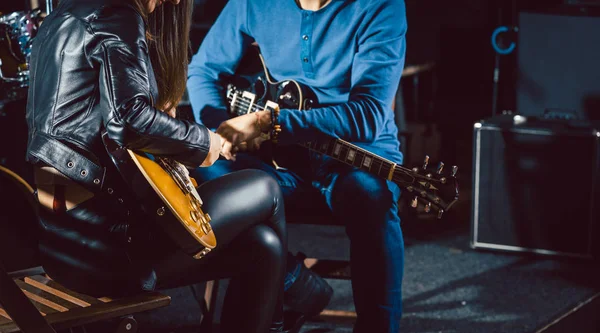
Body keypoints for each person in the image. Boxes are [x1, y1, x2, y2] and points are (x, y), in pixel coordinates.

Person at [25, 0, 290, 331]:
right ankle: (294, 301)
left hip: (59, 247)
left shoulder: (64, 12)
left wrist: (162, 122)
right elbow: (128, 120)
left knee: (264, 246)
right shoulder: (117, 14)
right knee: (266, 187)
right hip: (109, 252)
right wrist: (209, 142)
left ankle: (289, 302)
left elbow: (92, 119)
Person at [187, 0, 407, 331]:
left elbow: (369, 113)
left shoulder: (380, 5)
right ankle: (291, 285)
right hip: (278, 163)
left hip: (357, 158)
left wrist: (270, 123)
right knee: (205, 171)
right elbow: (203, 69)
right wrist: (222, 132)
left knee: (371, 197)